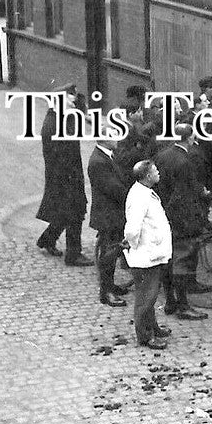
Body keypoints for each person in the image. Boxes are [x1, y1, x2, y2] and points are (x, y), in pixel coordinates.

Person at [153, 124, 210, 320]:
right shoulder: (185, 161)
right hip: (180, 219)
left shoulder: (162, 155)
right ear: (189, 138)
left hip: (163, 215)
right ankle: (183, 305)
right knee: (182, 262)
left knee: (167, 261)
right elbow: (183, 194)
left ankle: (170, 301)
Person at [35, 87, 91, 266]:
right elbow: (60, 156)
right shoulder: (54, 124)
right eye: (70, 98)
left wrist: (78, 101)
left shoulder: (61, 116)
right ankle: (73, 254)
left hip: (68, 175)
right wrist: (71, 182)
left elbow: (81, 112)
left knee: (65, 213)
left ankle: (47, 239)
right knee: (75, 213)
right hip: (64, 177)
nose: (73, 101)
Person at [123, 161, 172, 350]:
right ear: (147, 176)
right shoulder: (139, 197)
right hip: (145, 256)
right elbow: (133, 228)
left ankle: (153, 328)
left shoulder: (142, 192)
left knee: (149, 295)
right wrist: (133, 246)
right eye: (155, 171)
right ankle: (145, 336)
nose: (158, 172)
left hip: (151, 253)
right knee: (146, 297)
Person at [88, 129, 131, 307]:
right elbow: (113, 189)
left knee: (112, 252)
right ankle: (105, 292)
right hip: (108, 216)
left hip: (111, 214)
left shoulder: (106, 156)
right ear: (105, 139)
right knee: (109, 255)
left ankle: (110, 285)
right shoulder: (99, 161)